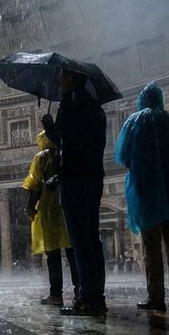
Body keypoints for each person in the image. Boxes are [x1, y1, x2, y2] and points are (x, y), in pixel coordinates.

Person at [114, 82, 169, 312]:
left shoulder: (134, 121)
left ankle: (156, 297)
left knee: (151, 246)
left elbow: (122, 155)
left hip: (146, 192)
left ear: (142, 100)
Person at [41, 68, 109, 317]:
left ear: (70, 77)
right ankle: (97, 295)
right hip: (94, 177)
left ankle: (86, 297)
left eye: (60, 75)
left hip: (75, 180)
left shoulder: (70, 104)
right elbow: (90, 146)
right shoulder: (95, 106)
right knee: (92, 238)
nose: (57, 79)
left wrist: (50, 127)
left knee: (79, 240)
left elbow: (65, 142)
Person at [22, 130, 79, 306]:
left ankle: (56, 294)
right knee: (72, 252)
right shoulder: (68, 154)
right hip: (68, 206)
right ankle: (80, 290)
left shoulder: (42, 157)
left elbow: (35, 185)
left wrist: (30, 207)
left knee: (52, 253)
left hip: (49, 210)